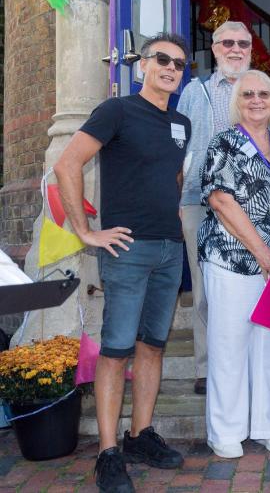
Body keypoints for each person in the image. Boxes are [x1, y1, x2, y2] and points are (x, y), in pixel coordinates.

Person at [54, 32, 190, 493]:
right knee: (116, 350)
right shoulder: (117, 110)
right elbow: (68, 164)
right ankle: (108, 453)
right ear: (143, 66)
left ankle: (140, 435)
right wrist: (85, 232)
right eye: (162, 60)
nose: (171, 69)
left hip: (171, 249)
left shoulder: (181, 122)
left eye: (179, 64)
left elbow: (172, 175)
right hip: (127, 251)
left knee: (152, 344)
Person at [177, 21, 270, 395]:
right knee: (207, 290)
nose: (235, 49)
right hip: (201, 202)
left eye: (243, 43)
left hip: (260, 210)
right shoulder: (197, 91)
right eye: (228, 42)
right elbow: (181, 142)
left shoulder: (262, 91)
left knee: (260, 285)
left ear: (251, 49)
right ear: (214, 48)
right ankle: (208, 369)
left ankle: (255, 367)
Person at [197, 70, 270, 458]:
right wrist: (261, 251)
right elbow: (221, 200)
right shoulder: (222, 142)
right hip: (232, 258)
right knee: (229, 343)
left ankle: (268, 425)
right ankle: (225, 430)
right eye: (248, 94)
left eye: (264, 94)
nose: (257, 100)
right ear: (236, 103)